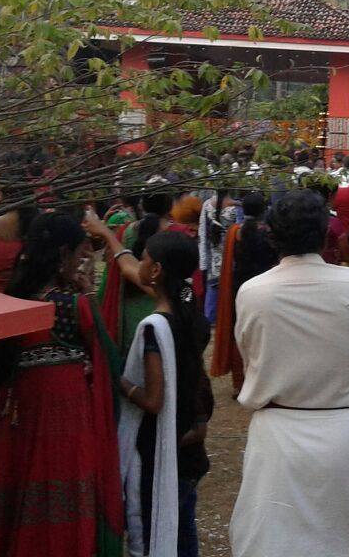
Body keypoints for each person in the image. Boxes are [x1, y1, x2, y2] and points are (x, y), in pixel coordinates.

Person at [0, 212, 124, 557]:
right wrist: (86, 293)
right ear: (62, 256)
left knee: (21, 501)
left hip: (15, 425)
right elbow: (109, 363)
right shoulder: (74, 307)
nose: (82, 262)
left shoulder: (10, 302)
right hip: (67, 428)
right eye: (78, 255)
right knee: (63, 508)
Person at [229, 189, 349, 557]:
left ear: (272, 236)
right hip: (344, 432)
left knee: (271, 542)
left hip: (277, 435)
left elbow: (250, 354)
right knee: (345, 540)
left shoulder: (253, 292)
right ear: (324, 234)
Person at [108, 229, 212, 557]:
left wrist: (120, 380)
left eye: (145, 258)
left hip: (158, 451)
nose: (139, 262)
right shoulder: (191, 317)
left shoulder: (154, 327)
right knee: (183, 530)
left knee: (152, 535)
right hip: (188, 447)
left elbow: (154, 401)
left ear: (155, 271)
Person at [211, 191, 276, 394]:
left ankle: (241, 383)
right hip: (266, 287)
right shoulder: (269, 232)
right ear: (263, 210)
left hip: (239, 288)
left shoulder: (235, 232)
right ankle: (264, 381)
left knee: (240, 332)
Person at [100, 190, 173, 354]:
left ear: (142, 205)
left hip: (129, 309)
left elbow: (113, 268)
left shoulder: (126, 231)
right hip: (160, 306)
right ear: (170, 207)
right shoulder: (173, 235)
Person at [198, 190, 238, 324]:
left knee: (212, 299)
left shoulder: (207, 205)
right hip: (232, 259)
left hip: (213, 261)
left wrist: (203, 262)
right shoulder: (237, 206)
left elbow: (202, 234)